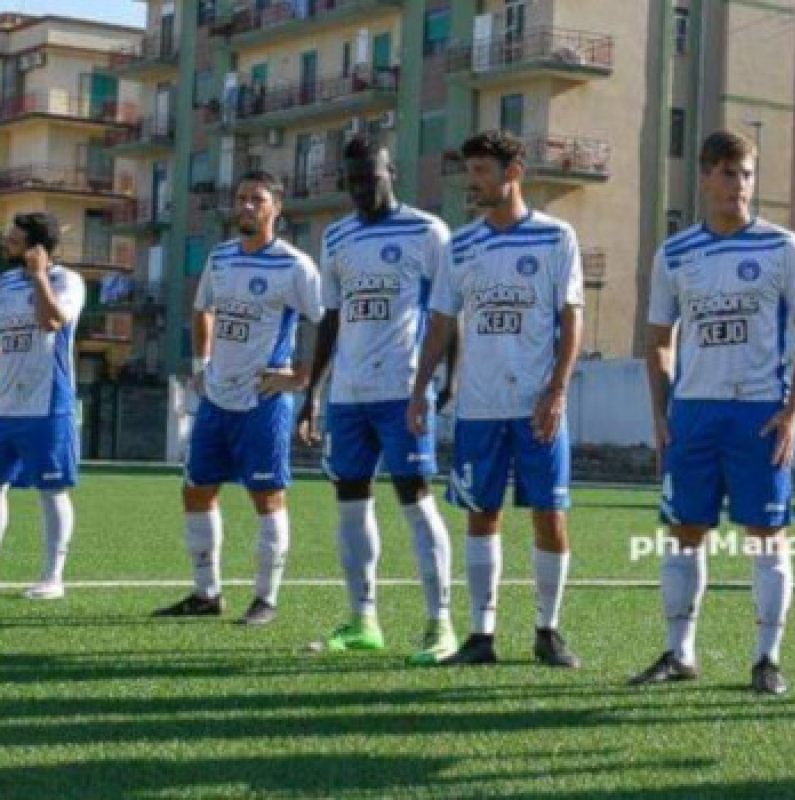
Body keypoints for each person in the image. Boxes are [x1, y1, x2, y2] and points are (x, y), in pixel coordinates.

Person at [630, 130, 795, 695]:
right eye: (729, 174)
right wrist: (662, 413)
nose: (739, 186)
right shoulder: (676, 253)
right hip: (694, 414)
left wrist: (793, 410)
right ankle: (679, 651)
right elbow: (658, 339)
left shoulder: (782, 247)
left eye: (748, 175)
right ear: (706, 177)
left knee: (767, 537)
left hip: (757, 413)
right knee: (684, 534)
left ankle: (767, 659)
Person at [408, 130, 583, 668]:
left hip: (535, 405)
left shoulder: (556, 238)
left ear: (513, 174)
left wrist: (556, 391)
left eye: (482, 171)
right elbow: (441, 323)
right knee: (481, 515)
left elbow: (572, 316)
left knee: (549, 514)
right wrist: (420, 389)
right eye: (470, 171)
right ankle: (481, 635)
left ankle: (547, 630)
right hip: (479, 408)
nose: (473, 182)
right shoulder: (460, 245)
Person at [294, 135, 458, 664]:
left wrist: (448, 378)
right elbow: (331, 319)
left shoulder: (428, 231)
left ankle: (440, 625)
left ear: (393, 173)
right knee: (350, 505)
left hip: (403, 391)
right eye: (353, 181)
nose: (361, 189)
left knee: (415, 500)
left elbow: (447, 312)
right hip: (348, 396)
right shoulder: (336, 235)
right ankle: (363, 619)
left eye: (371, 178)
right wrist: (312, 394)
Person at [154, 172, 323, 625]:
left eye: (258, 200)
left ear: (276, 209)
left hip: (262, 402)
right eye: (242, 199)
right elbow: (201, 308)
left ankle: (266, 599)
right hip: (216, 398)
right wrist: (200, 367)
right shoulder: (222, 257)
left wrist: (302, 376)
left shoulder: (294, 265)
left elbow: (323, 323)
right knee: (196, 490)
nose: (247, 207)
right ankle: (206, 593)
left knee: (267, 497)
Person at [0, 212, 84, 600]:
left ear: (37, 246)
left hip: (46, 405)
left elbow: (52, 322)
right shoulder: (3, 283)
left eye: (15, 238)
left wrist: (38, 277)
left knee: (51, 491)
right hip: (3, 405)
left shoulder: (66, 281)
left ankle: (53, 577)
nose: (7, 241)